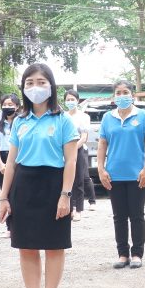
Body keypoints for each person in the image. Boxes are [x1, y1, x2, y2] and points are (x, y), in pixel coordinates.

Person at [0, 63, 79, 288]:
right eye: (30, 82)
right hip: (24, 186)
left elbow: (71, 161)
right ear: (23, 88)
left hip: (53, 186)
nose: (36, 87)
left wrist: (65, 195)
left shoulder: (63, 120)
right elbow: (11, 162)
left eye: (41, 82)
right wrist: (4, 198)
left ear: (51, 86)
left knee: (54, 246)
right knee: (26, 247)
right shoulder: (20, 121)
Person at [97, 80, 145, 269]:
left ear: (132, 95)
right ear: (114, 97)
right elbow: (102, 144)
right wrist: (101, 169)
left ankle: (137, 254)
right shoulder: (107, 118)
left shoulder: (142, 115)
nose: (122, 96)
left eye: (125, 92)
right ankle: (122, 254)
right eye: (118, 93)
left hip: (137, 174)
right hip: (114, 175)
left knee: (137, 215)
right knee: (119, 216)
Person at [64, 89, 95, 221]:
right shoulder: (62, 116)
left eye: (72, 99)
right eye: (68, 100)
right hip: (64, 151)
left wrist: (72, 149)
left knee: (79, 180)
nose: (70, 102)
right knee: (67, 181)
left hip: (78, 150)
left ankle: (78, 210)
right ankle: (69, 208)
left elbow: (84, 137)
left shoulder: (84, 117)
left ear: (77, 101)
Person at [0, 94, 19, 236]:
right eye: (5, 104)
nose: (7, 107)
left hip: (17, 158)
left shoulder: (20, 121)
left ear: (17, 106)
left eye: (10, 104)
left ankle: (18, 226)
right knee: (5, 193)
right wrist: (1, 164)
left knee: (17, 193)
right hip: (2, 158)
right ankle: (9, 227)